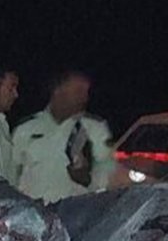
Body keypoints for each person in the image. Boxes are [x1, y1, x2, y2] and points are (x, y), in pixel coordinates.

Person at [12, 70, 114, 202]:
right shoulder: (25, 129)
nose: (85, 98)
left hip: (75, 215)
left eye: (86, 92)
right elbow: (11, 175)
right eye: (78, 91)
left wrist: (87, 179)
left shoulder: (95, 128)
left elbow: (110, 174)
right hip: (34, 216)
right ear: (57, 91)